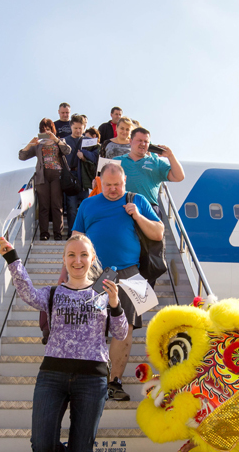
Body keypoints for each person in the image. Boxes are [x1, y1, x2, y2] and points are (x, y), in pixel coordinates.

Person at [0, 233, 127, 452]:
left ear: (92, 259)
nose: (77, 260)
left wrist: (115, 305)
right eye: (71, 254)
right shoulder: (54, 293)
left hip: (92, 378)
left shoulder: (104, 294)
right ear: (64, 260)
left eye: (83, 255)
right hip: (53, 374)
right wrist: (12, 258)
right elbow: (27, 292)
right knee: (42, 443)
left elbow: (121, 332)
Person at [71, 164, 163, 402]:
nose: (113, 189)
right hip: (94, 272)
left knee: (126, 328)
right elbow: (75, 241)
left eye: (117, 185)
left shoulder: (138, 200)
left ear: (125, 181)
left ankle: (114, 382)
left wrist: (137, 215)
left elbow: (158, 233)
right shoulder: (87, 204)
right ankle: (91, 381)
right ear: (99, 182)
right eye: (108, 185)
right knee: (90, 325)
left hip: (131, 272)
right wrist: (67, 274)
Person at [19, 118, 71, 240]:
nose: (46, 132)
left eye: (48, 129)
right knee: (44, 205)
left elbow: (67, 150)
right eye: (43, 130)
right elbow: (22, 156)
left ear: (53, 130)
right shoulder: (38, 145)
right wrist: (30, 144)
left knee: (57, 205)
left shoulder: (59, 141)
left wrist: (56, 139)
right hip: (42, 176)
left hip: (57, 175)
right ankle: (44, 233)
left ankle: (58, 233)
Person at [113, 127, 185, 212]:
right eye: (139, 140)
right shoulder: (116, 161)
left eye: (146, 141)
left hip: (148, 209)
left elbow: (179, 177)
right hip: (121, 207)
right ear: (130, 141)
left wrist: (170, 156)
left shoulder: (156, 163)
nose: (143, 144)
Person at [63, 115, 99, 238]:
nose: (78, 131)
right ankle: (72, 234)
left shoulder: (89, 141)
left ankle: (86, 234)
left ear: (84, 128)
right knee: (71, 206)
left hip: (85, 177)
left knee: (86, 206)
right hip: (71, 177)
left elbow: (96, 157)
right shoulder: (64, 141)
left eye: (80, 128)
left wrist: (84, 155)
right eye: (76, 128)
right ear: (71, 127)